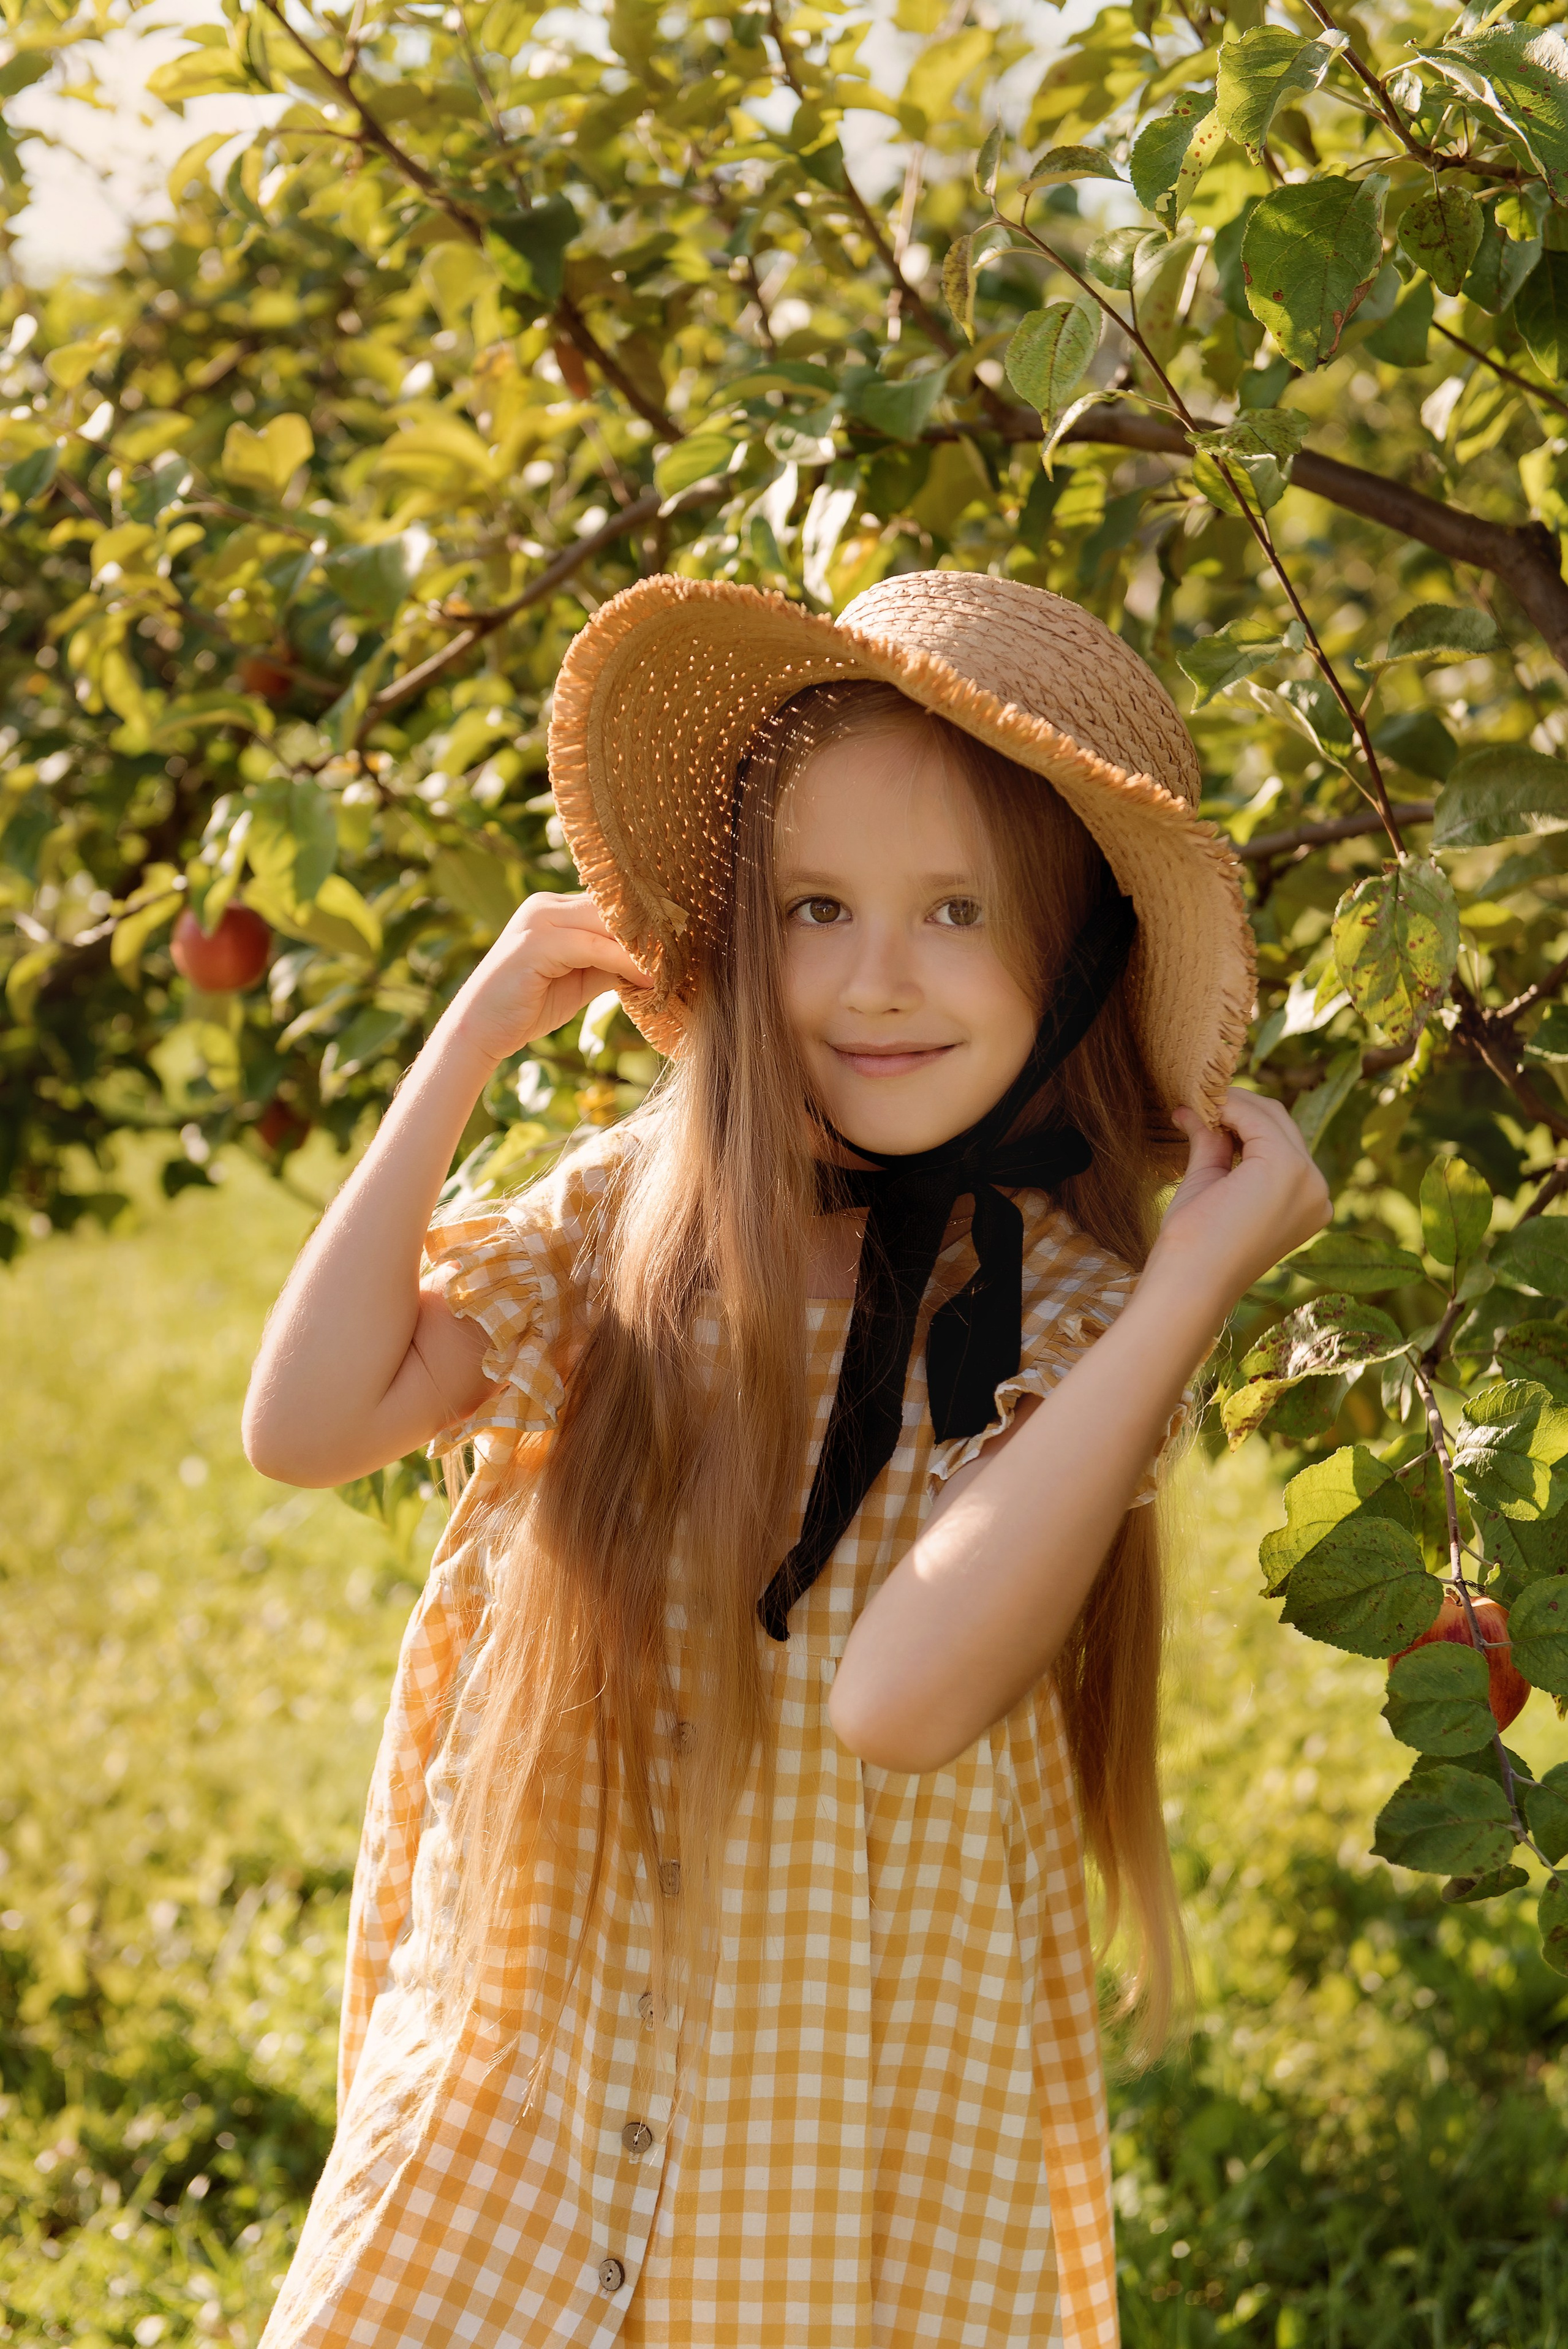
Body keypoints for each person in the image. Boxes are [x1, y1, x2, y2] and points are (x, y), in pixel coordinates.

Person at [243, 570, 1328, 2349]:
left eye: (957, 910)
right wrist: (470, 1036)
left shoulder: (1059, 1318)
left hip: (829, 2095)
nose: (875, 981)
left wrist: (1189, 1283)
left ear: (1079, 962)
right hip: (541, 2050)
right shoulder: (636, 1220)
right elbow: (303, 1423)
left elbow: (898, 1698)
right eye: (817, 907)